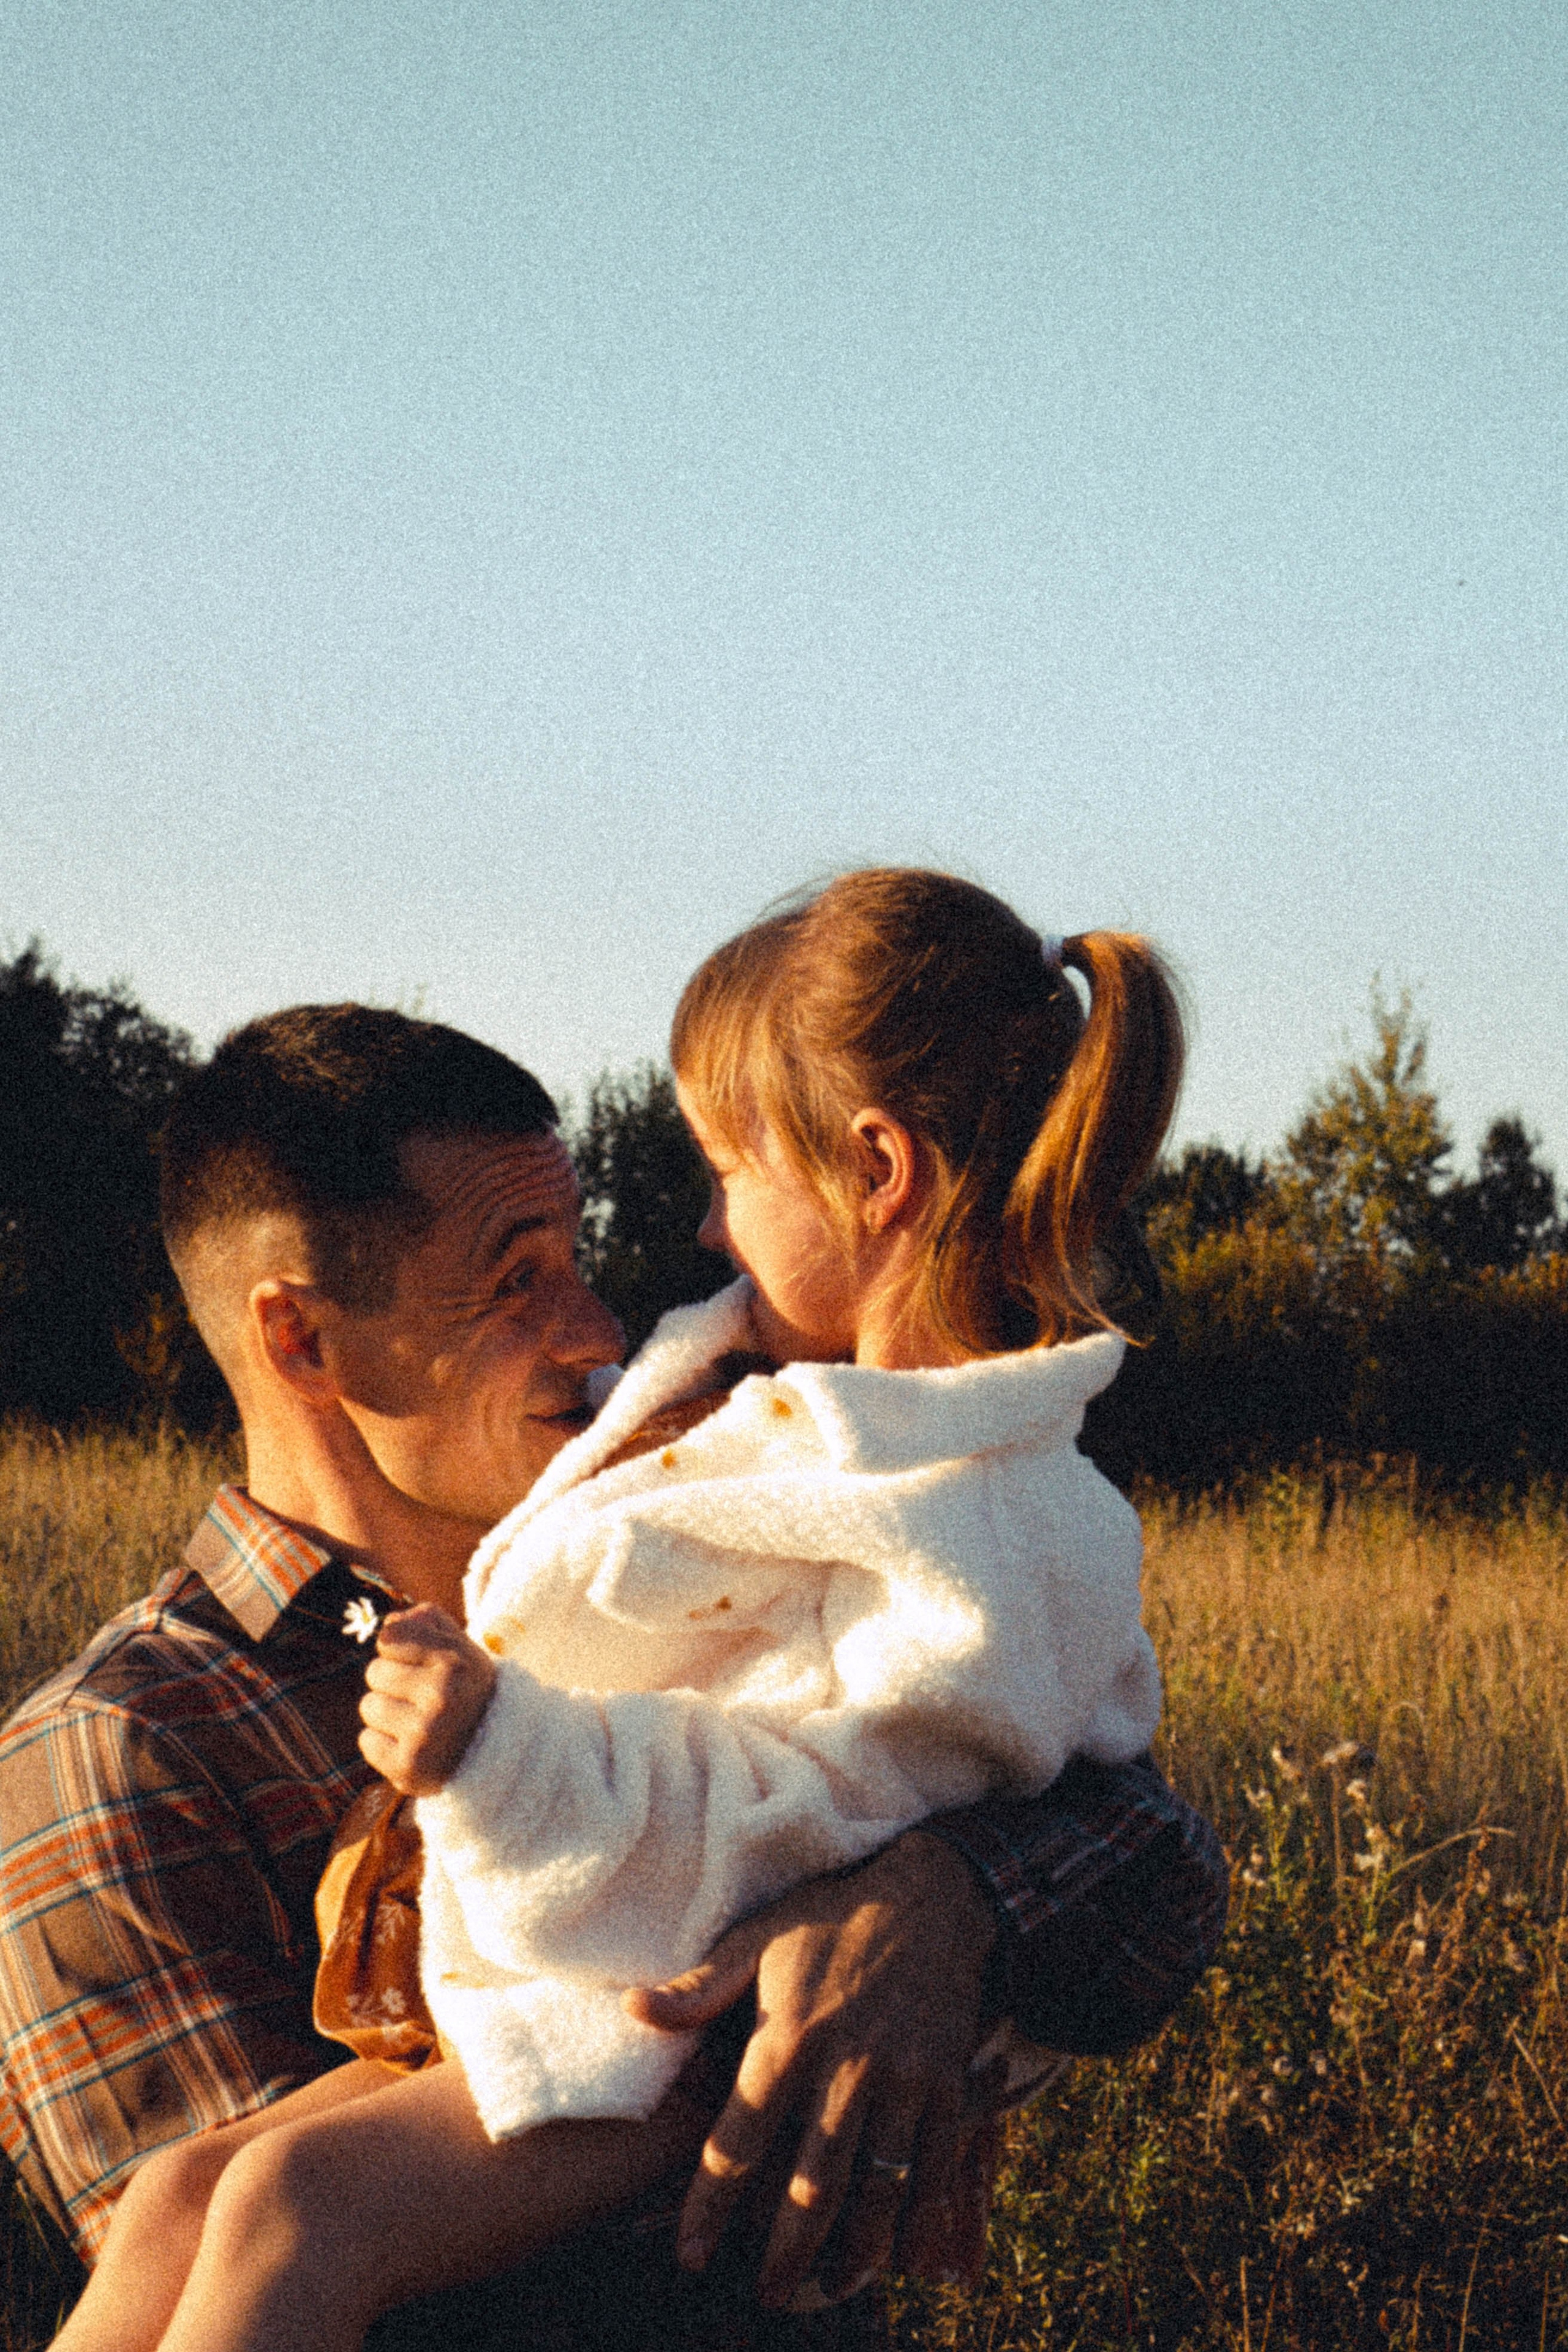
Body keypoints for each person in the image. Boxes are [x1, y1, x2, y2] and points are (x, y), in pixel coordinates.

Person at [44, 870, 1219, 2352]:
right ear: (303, 1338)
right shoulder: (127, 1750)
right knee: (184, 2203)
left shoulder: (888, 1484)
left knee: (289, 2206)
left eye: (715, 1178)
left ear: (875, 1172)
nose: (608, 1325)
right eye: (514, 1280)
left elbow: (1107, 1821)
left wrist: (945, 1906)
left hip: (648, 2012)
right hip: (601, 2069)